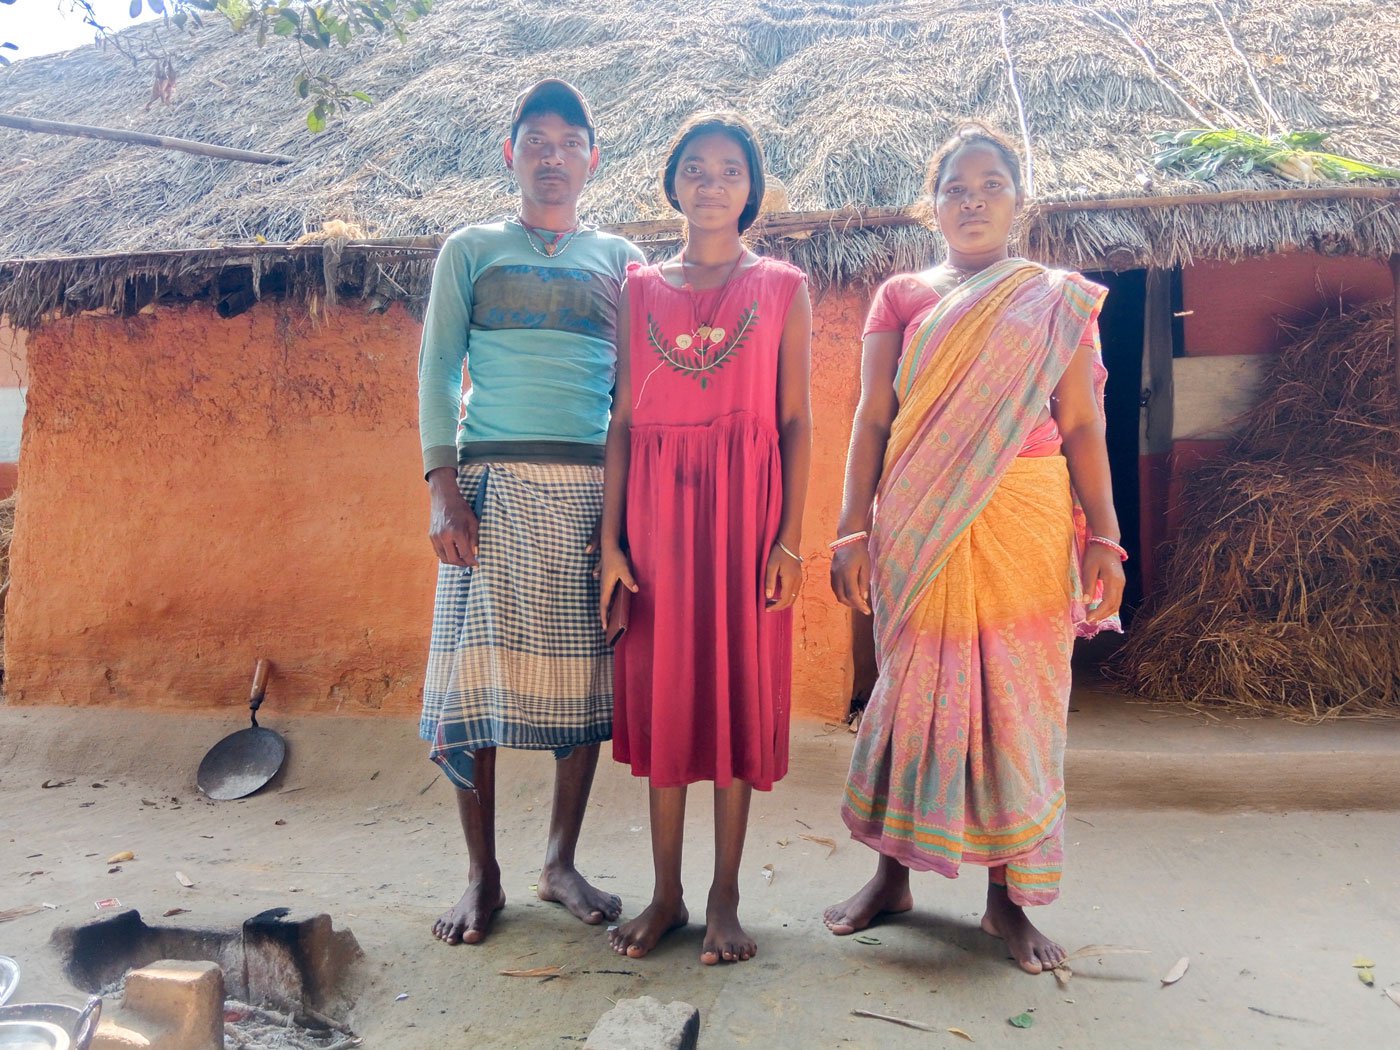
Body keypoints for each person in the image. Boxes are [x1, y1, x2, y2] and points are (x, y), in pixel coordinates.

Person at [821, 122, 1126, 974]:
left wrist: (1105, 535)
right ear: (934, 203)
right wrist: (853, 526)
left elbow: (1082, 424)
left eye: (993, 185)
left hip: (1025, 514)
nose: (974, 200)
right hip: (918, 518)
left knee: (1016, 708)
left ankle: (1007, 902)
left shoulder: (1053, 299)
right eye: (957, 187)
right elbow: (872, 418)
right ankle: (892, 876)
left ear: (1019, 204)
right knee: (912, 692)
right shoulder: (903, 297)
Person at [417, 79, 645, 946]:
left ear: (593, 157)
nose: (552, 155)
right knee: (473, 692)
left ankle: (559, 861)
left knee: (582, 683)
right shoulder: (468, 250)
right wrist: (443, 488)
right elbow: (439, 370)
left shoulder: (620, 261)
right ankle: (484, 876)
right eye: (535, 140)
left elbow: (633, 394)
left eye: (569, 141)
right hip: (490, 493)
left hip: (590, 493)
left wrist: (624, 518)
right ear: (510, 154)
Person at [598, 112, 813, 965]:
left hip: (747, 518)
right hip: (656, 518)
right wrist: (612, 542)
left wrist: (790, 540)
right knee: (665, 696)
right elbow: (621, 420)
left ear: (751, 187)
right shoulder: (638, 288)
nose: (713, 181)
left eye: (730, 169)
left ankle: (724, 897)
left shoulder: (785, 287)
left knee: (733, 695)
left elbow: (795, 420)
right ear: (673, 181)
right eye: (696, 167)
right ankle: (666, 895)